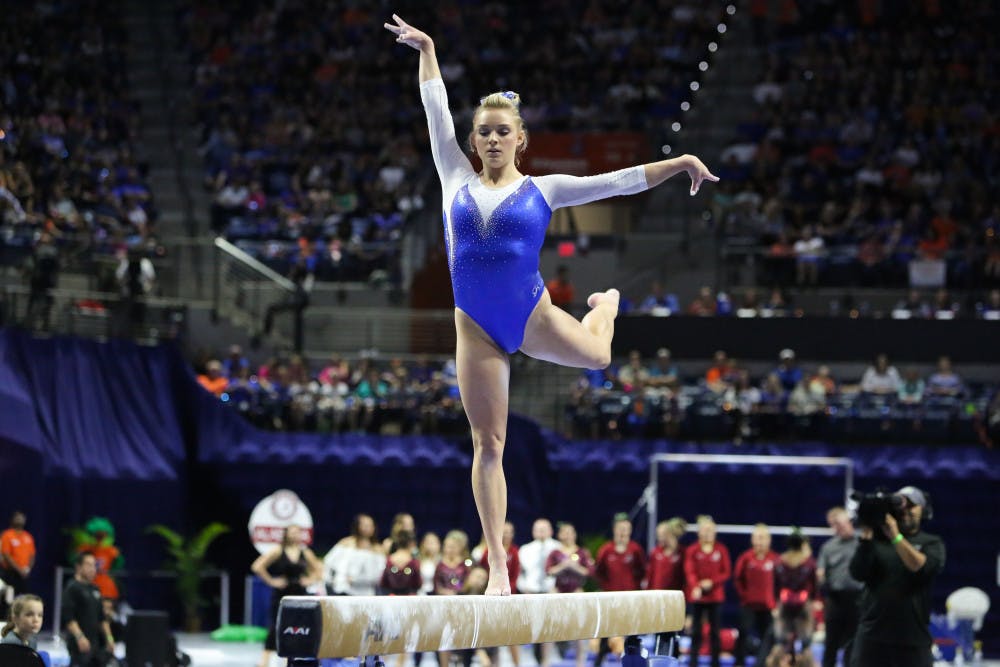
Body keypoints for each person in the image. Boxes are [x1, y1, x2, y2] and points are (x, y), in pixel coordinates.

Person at [385, 13, 719, 594]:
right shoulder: (452, 178)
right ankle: (496, 565)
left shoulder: (545, 189)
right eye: (482, 132)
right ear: (473, 141)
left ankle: (605, 304)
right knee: (489, 444)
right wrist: (429, 48)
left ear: (520, 139)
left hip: (532, 314)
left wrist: (681, 163)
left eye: (501, 131)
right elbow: (433, 109)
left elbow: (618, 181)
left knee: (598, 358)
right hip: (477, 330)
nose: (491, 139)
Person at [849, 486, 945, 667]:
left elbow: (918, 566)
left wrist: (895, 536)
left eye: (912, 506)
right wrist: (868, 533)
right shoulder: (876, 541)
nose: (906, 510)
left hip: (913, 639)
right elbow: (857, 573)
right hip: (872, 637)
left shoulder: (932, 543)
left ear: (923, 509)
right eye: (902, 506)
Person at [251, 525, 323, 667]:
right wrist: (272, 581)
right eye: (292, 532)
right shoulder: (278, 550)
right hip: (282, 596)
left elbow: (319, 570)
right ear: (286, 534)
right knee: (276, 628)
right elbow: (257, 566)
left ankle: (290, 661)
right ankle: (263, 662)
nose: (295, 535)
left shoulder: (305, 552)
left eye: (298, 532)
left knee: (300, 629)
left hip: (300, 596)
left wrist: (310, 580)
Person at [594, 515, 647, 667]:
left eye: (626, 530)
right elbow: (598, 571)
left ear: (630, 531)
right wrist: (606, 588)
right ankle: (598, 663)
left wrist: (636, 589)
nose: (623, 533)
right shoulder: (606, 550)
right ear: (614, 530)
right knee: (605, 634)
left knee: (632, 636)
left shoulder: (635, 549)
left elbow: (643, 571)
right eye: (620, 529)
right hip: (610, 598)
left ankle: (634, 663)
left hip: (630, 599)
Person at [816, 507, 863, 667]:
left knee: (853, 642)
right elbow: (820, 573)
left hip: (857, 599)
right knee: (831, 642)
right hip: (835, 599)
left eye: (842, 523)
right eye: (836, 525)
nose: (840, 527)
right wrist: (819, 577)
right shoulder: (828, 547)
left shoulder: (862, 543)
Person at [684, 515, 731, 667]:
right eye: (704, 530)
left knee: (715, 633)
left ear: (715, 532)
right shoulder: (692, 550)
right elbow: (689, 570)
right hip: (698, 598)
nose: (707, 534)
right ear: (699, 532)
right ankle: (693, 662)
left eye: (710, 530)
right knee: (695, 633)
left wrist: (712, 582)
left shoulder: (721, 550)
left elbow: (726, 572)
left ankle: (715, 663)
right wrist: (696, 585)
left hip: (715, 597)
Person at [546, 522, 594, 667]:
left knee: (579, 629)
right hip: (558, 590)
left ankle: (580, 662)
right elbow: (549, 571)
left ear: (574, 535)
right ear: (559, 535)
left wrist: (574, 566)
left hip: (575, 590)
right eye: (564, 532)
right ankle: (545, 662)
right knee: (550, 628)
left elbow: (589, 572)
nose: (567, 535)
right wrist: (563, 566)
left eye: (570, 532)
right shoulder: (555, 553)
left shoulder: (581, 552)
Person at [733, 524, 780, 667]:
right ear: (752, 540)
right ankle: (739, 663)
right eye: (756, 538)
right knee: (743, 633)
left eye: (762, 538)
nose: (759, 542)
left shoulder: (775, 559)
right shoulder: (746, 558)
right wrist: (744, 597)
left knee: (768, 637)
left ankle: (764, 663)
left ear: (769, 540)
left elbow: (781, 582)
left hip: (769, 606)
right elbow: (738, 579)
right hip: (749, 605)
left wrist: (777, 603)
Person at [62, 552, 114, 667]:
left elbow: (102, 618)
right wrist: (80, 637)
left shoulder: (95, 589)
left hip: (96, 644)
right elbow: (69, 618)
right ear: (78, 567)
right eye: (88, 565)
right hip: (80, 644)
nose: (93, 569)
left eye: (94, 565)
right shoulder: (72, 588)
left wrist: (109, 638)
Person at [323, 513, 386, 596]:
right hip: (343, 591)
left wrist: (356, 580)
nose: (367, 528)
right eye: (365, 525)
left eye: (370, 525)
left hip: (367, 594)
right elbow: (329, 562)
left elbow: (380, 575)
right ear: (357, 526)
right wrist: (332, 581)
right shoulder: (346, 544)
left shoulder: (378, 550)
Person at [0, 512, 35, 610]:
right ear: (12, 520)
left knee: (22, 600)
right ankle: (6, 619)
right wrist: (19, 569)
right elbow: (6, 555)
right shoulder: (7, 535)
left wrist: (27, 569)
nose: (20, 519)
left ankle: (19, 621)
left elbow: (32, 555)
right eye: (17, 517)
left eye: (22, 517)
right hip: (10, 574)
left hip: (23, 575)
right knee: (8, 599)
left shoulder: (28, 537)